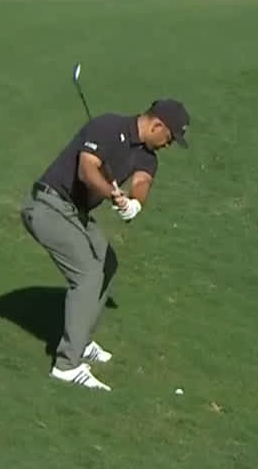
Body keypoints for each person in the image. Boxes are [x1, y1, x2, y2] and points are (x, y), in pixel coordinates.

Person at [20, 98, 189, 391]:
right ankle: (66, 366)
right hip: (47, 204)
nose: (169, 144)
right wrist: (111, 194)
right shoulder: (108, 126)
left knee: (107, 264)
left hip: (76, 212)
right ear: (157, 125)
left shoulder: (148, 156)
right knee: (87, 274)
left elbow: (142, 182)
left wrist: (134, 203)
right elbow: (87, 171)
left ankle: (81, 340)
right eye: (170, 137)